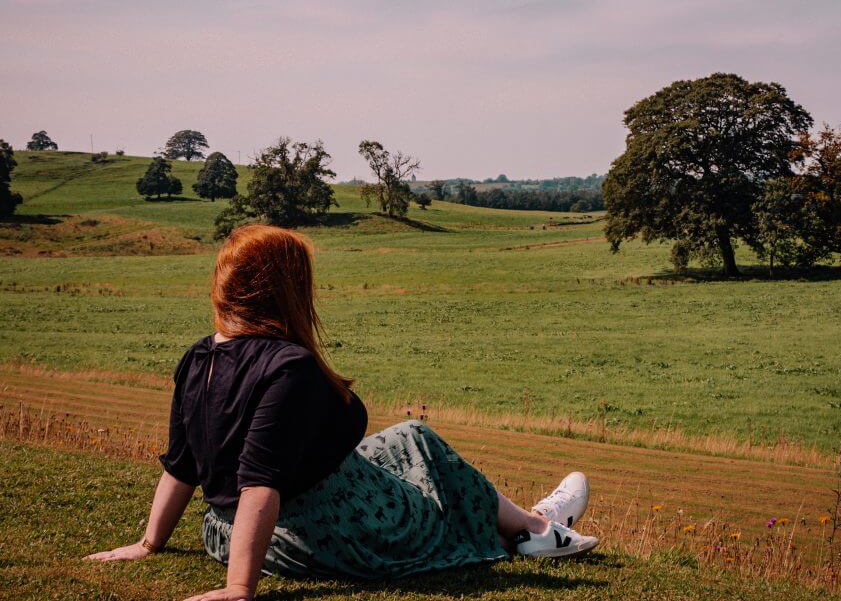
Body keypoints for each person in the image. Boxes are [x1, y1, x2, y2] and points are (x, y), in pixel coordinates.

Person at [84, 224, 598, 600]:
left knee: (407, 439)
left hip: (224, 533)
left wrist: (150, 543)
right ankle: (535, 529)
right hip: (326, 533)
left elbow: (182, 466)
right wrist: (239, 588)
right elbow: (260, 483)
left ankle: (534, 525)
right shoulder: (288, 366)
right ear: (288, 290)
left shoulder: (199, 357)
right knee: (424, 449)